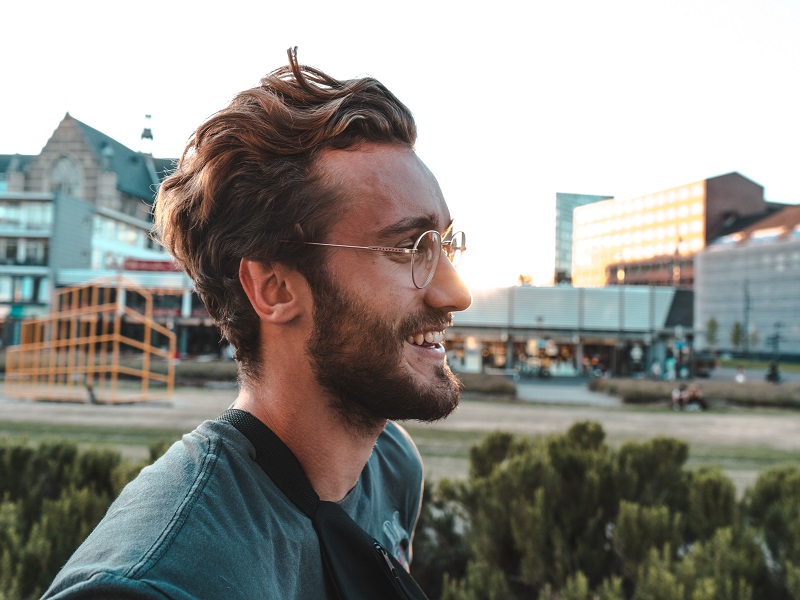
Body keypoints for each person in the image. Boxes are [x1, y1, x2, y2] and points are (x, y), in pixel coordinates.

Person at [44, 48, 472, 598]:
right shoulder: (156, 582)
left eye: (444, 243)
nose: (455, 293)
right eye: (406, 248)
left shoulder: (390, 465)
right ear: (274, 289)